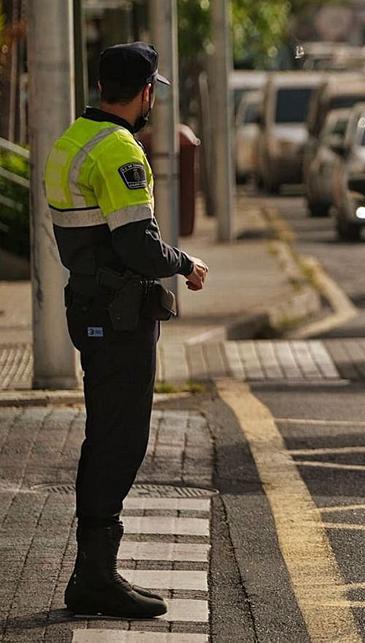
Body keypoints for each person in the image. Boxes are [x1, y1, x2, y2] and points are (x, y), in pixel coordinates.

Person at [44, 42, 209, 619]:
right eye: (152, 93)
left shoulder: (70, 141)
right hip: (119, 317)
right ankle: (93, 578)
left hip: (90, 309)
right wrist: (185, 264)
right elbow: (137, 243)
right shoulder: (118, 151)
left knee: (105, 435)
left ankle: (94, 571)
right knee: (121, 440)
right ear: (145, 93)